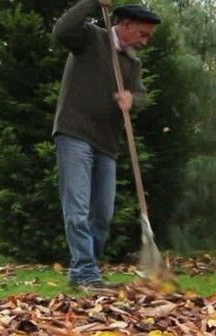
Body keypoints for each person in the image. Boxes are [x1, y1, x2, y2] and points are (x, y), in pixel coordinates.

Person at [52, 0, 160, 291]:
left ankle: (83, 271)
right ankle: (87, 274)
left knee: (102, 214)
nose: (145, 41)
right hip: (74, 133)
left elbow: (140, 95)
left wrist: (132, 100)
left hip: (107, 142)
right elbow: (62, 30)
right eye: (142, 33)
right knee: (77, 209)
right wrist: (90, 2)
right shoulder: (89, 38)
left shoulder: (132, 62)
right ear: (124, 25)